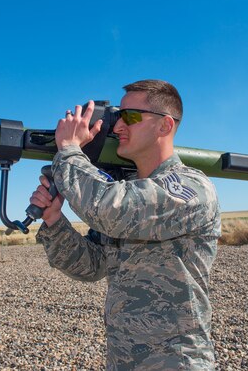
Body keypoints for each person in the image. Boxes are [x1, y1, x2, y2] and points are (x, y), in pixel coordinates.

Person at [30, 80, 221, 370]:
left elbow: (110, 210)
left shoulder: (189, 188)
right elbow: (92, 266)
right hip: (123, 359)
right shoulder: (129, 190)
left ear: (165, 126)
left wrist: (69, 149)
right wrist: (55, 220)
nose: (118, 126)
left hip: (175, 362)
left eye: (129, 117)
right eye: (117, 117)